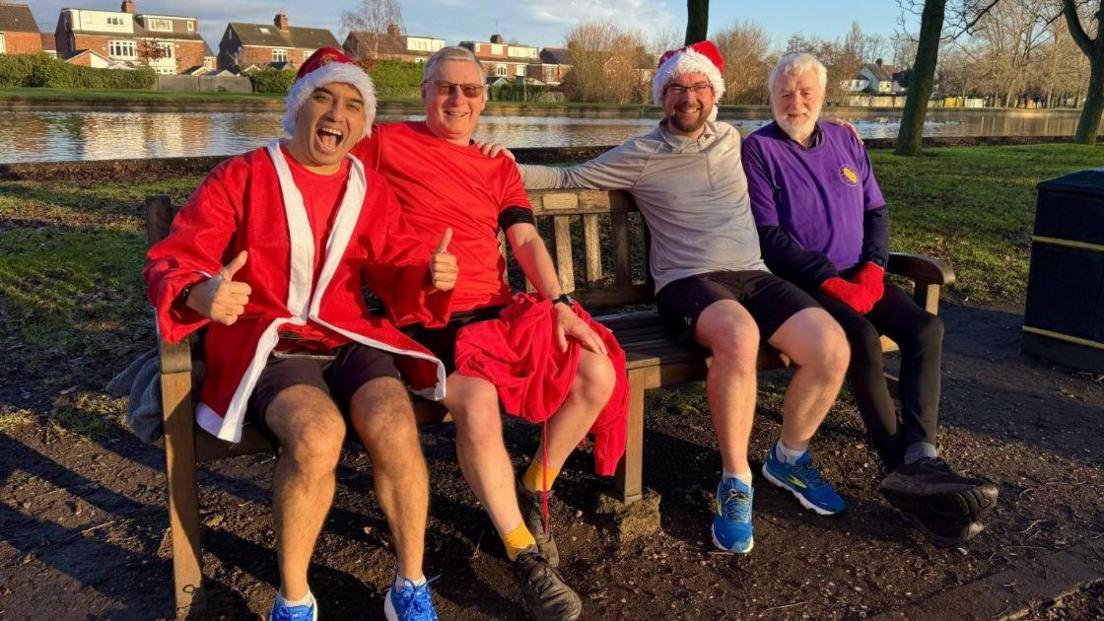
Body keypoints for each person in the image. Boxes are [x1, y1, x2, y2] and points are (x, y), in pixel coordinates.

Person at [145, 49, 456, 621]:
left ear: (363, 127)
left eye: (354, 104)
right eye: (324, 96)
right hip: (273, 343)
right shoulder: (241, 176)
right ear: (296, 107)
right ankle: (293, 599)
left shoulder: (369, 188)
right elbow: (174, 257)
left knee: (395, 422)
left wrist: (428, 275)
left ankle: (408, 585)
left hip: (347, 338)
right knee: (316, 435)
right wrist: (200, 292)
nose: (337, 113)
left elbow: (396, 263)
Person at [520, 41, 851, 555]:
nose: (688, 97)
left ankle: (788, 458)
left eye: (698, 86)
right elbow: (568, 177)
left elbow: (796, 130)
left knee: (832, 346)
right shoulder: (640, 154)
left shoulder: (735, 141)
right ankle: (735, 482)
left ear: (713, 93)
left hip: (753, 274)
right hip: (687, 283)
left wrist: (834, 134)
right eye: (675, 88)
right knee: (739, 337)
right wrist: (488, 162)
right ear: (662, 97)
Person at [350, 46, 626, 621]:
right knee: (476, 403)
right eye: (445, 88)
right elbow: (318, 160)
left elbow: (523, 239)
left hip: (497, 310)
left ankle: (534, 482)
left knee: (596, 367)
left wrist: (560, 304)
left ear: (484, 99)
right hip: (424, 316)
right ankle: (524, 555)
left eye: (470, 91)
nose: (457, 100)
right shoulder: (384, 146)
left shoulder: (497, 164)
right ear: (424, 92)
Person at [740, 52, 999, 545]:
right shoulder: (758, 149)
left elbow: (877, 211)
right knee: (859, 335)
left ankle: (920, 454)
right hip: (805, 283)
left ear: (822, 97)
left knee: (926, 329)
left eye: (806, 93)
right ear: (771, 98)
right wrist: (829, 279)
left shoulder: (844, 139)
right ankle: (898, 464)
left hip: (862, 275)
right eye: (785, 94)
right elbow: (769, 236)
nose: (796, 102)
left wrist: (874, 269)